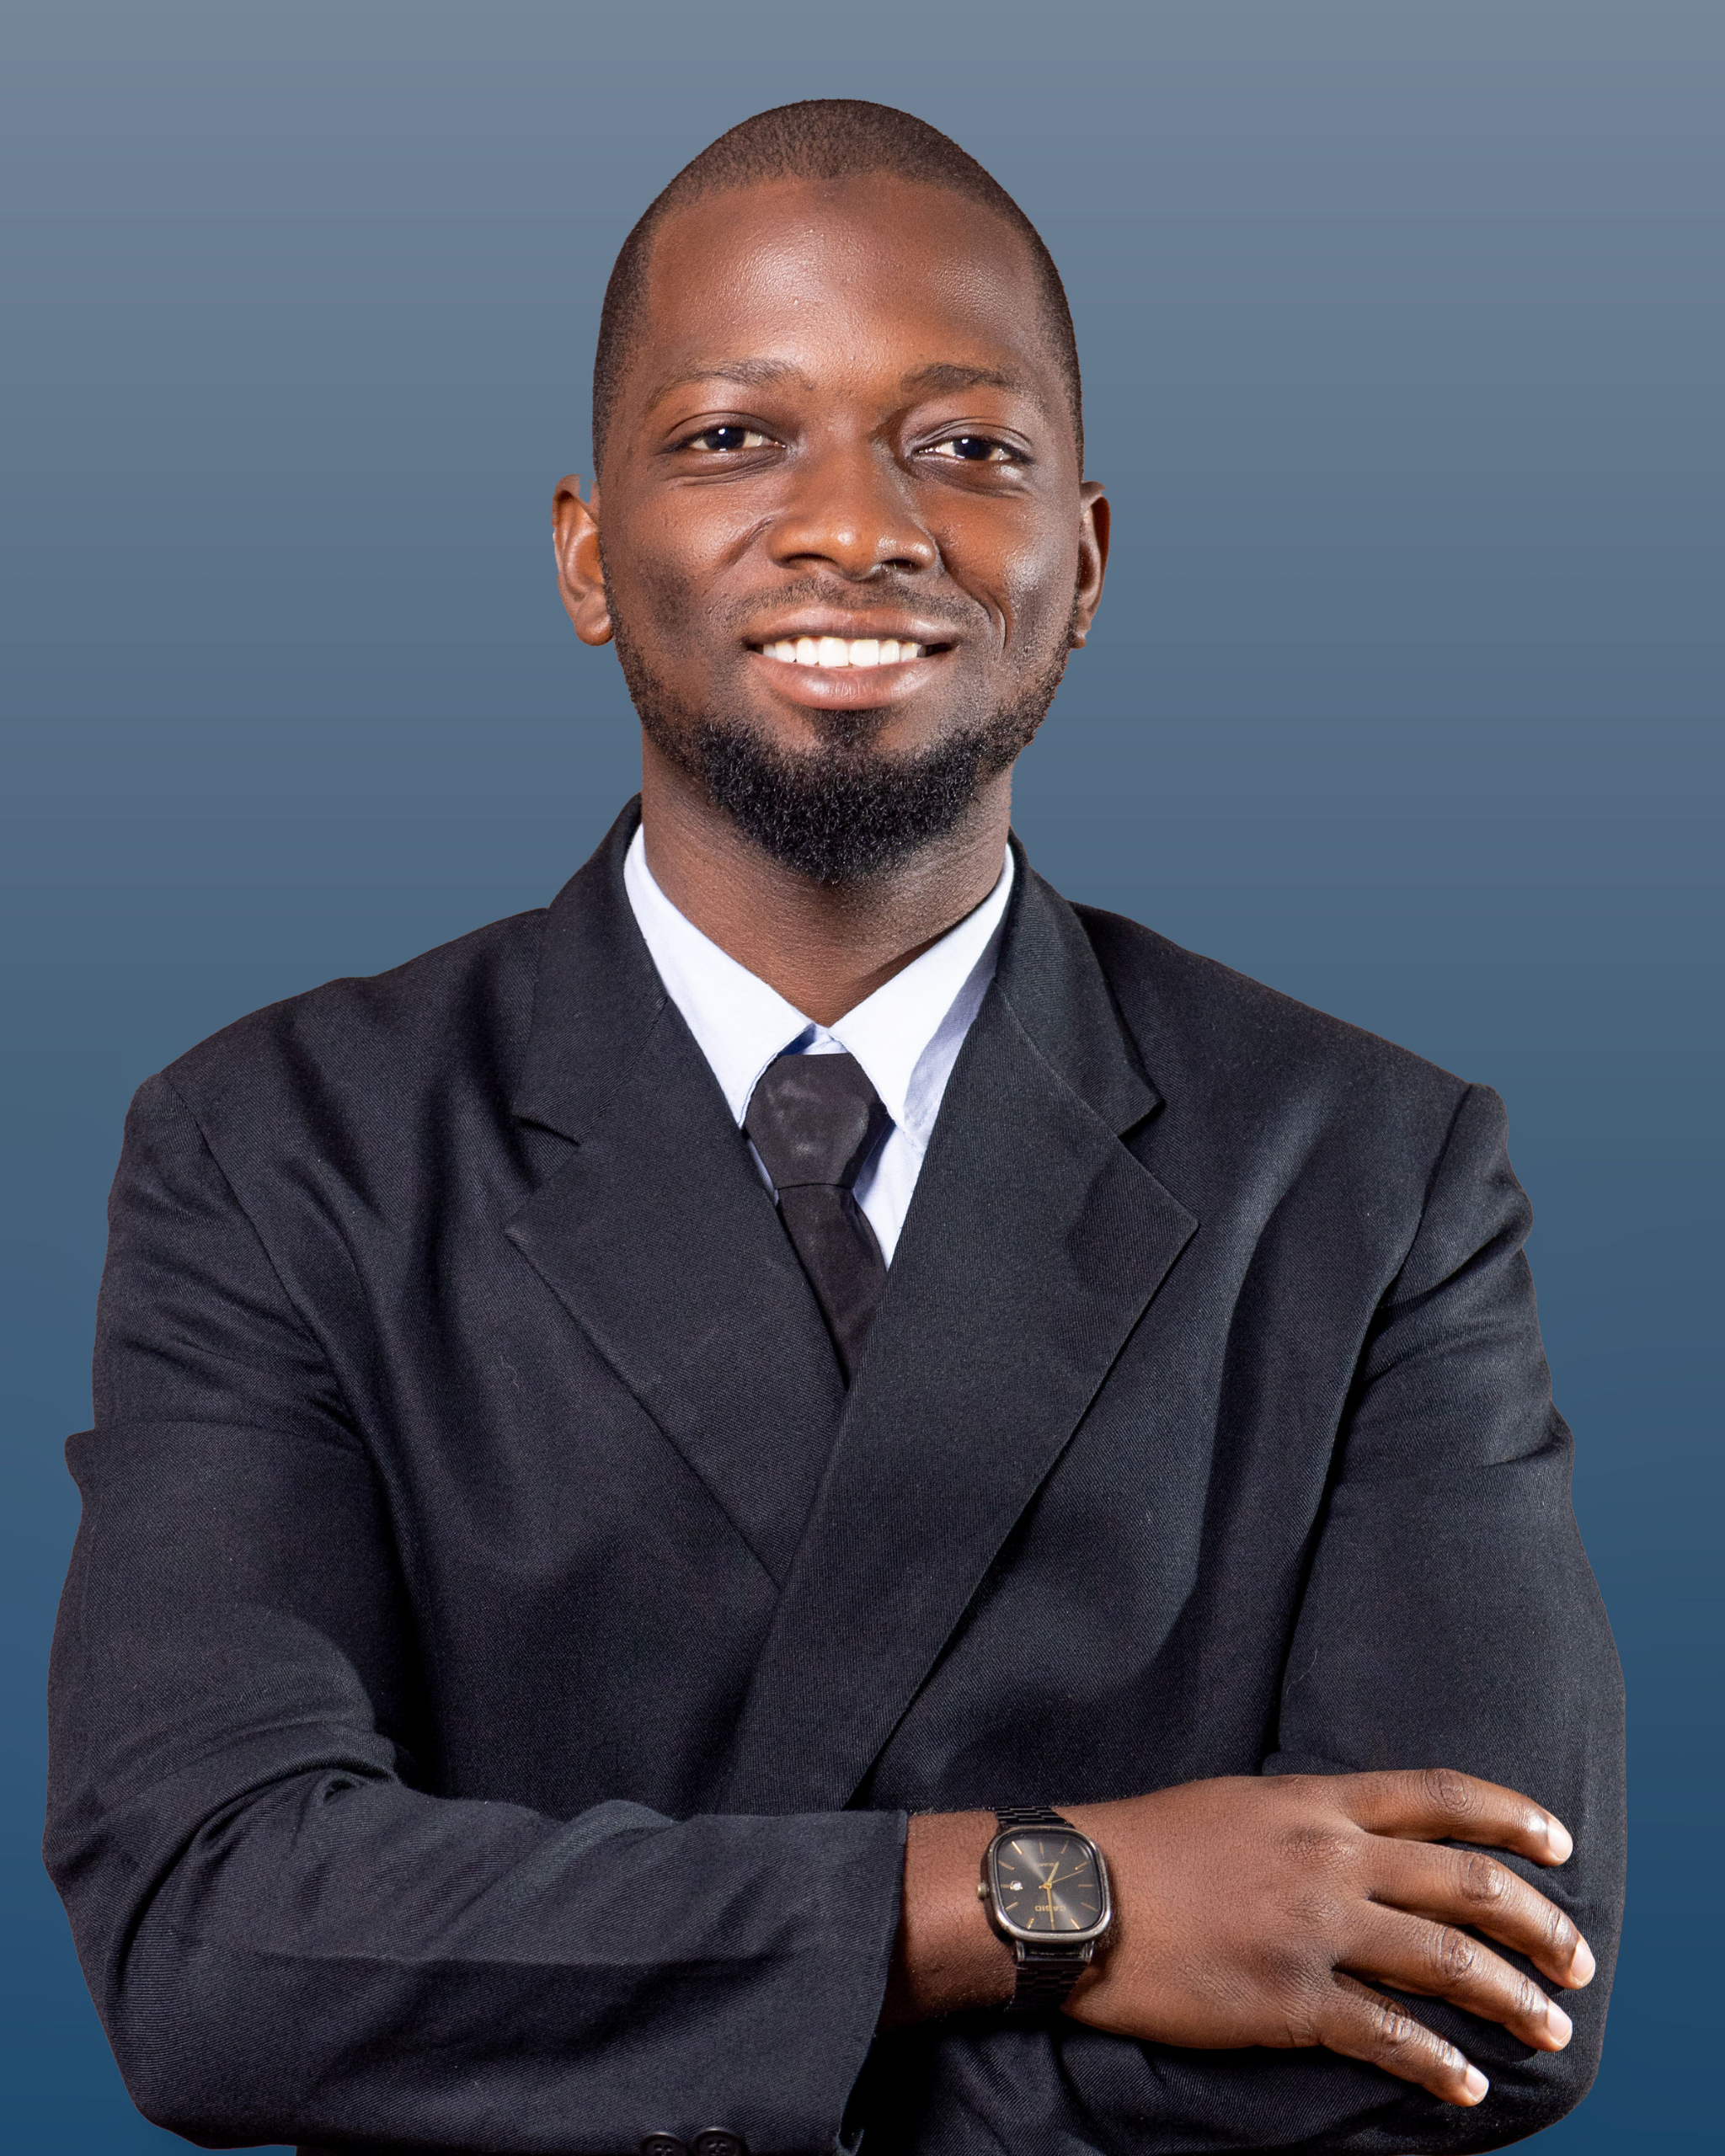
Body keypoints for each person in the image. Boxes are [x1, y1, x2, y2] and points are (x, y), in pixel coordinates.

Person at [47, 100, 1624, 2156]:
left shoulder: (1369, 1169)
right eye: (734, 435)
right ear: (586, 554)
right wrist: (1059, 1896)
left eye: (963, 445)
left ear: (1084, 560)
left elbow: (1486, 1986)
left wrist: (565, 2026)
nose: (857, 525)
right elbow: (217, 1946)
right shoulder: (276, 1149)